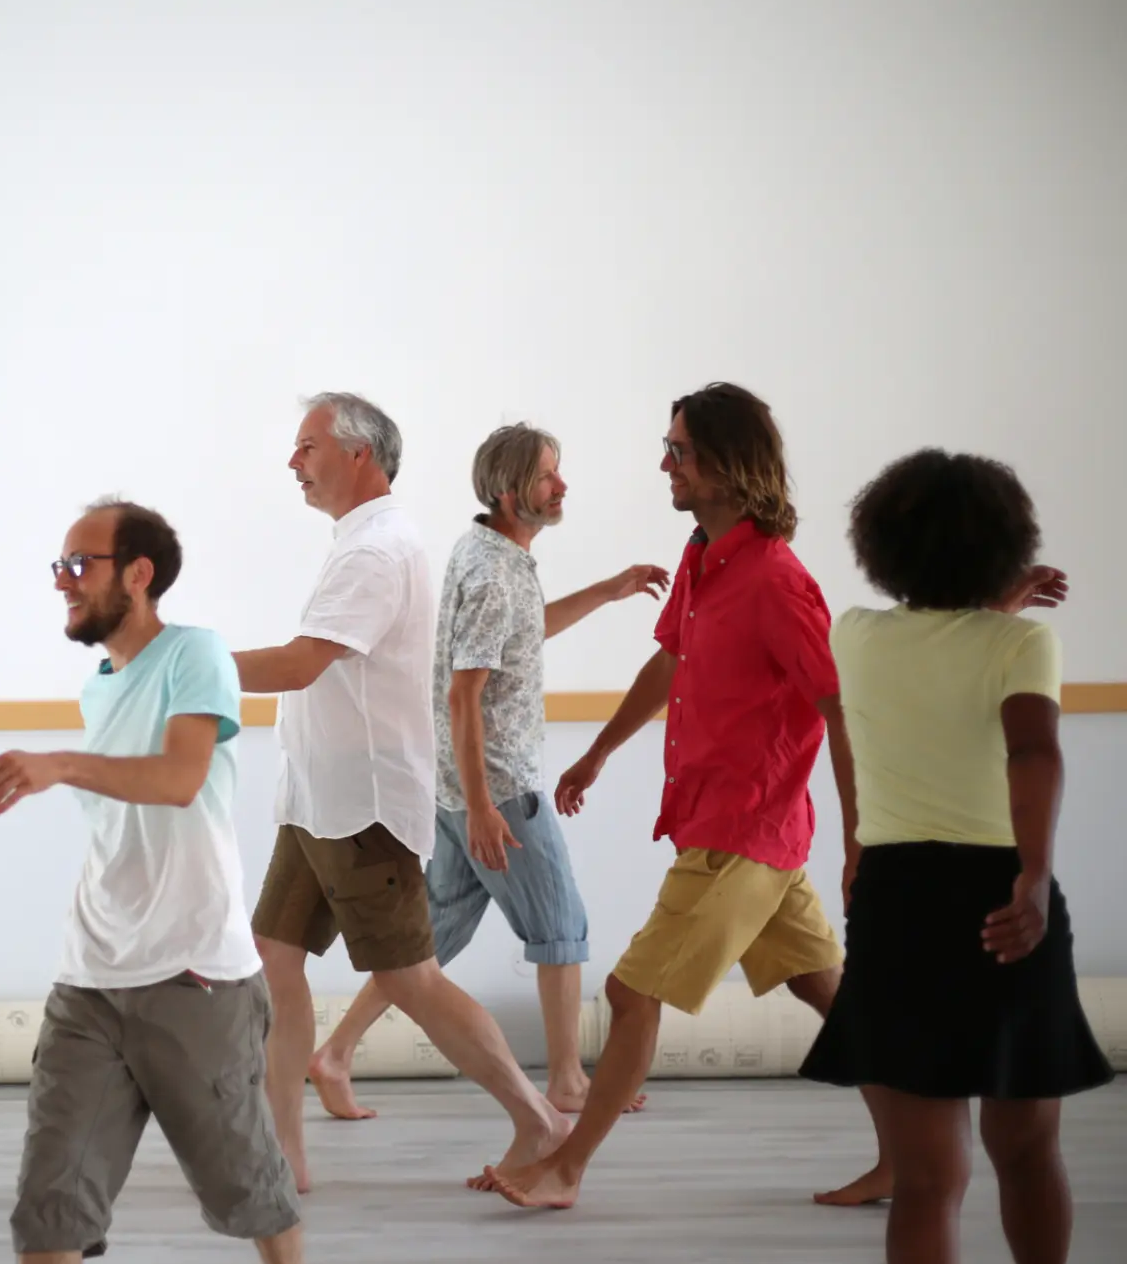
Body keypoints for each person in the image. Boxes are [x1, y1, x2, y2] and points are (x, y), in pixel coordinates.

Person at [491, 381, 883, 1210]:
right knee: (828, 991)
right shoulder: (704, 560)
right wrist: (597, 753)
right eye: (667, 448)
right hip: (740, 830)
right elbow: (669, 663)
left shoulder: (776, 581)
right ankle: (914, 1154)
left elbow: (839, 708)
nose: (665, 463)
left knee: (632, 993)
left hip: (744, 832)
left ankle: (565, 1169)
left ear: (729, 464)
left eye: (680, 450)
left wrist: (858, 843)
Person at [234, 393, 570, 1195]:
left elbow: (302, 663)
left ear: (359, 454)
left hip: (365, 809)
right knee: (274, 962)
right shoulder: (360, 542)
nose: (293, 461)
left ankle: (539, 1120)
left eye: (308, 445)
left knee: (412, 980)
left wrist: (177, 665)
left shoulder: (378, 551)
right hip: (318, 803)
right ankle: (283, 1153)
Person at [798, 450, 1113, 1264]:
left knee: (929, 1180)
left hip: (897, 899)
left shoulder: (854, 635)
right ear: (1006, 545)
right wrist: (1034, 878)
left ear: (881, 547)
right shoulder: (1023, 644)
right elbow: (1033, 750)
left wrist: (993, 605)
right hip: (1002, 894)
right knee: (1029, 1152)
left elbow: (937, 647)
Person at [0, 498, 303, 1264]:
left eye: (78, 564)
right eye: (58, 565)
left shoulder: (197, 654)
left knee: (251, 1193)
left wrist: (59, 764)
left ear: (138, 574)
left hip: (194, 978)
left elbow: (180, 778)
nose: (62, 580)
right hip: (89, 979)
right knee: (50, 1213)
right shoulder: (98, 687)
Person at [306, 423, 667, 1124]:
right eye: (546, 477)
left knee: (432, 937)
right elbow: (462, 693)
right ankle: (567, 1081)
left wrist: (608, 590)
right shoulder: (496, 574)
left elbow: (517, 635)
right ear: (508, 491)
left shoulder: (485, 551)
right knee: (561, 928)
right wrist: (481, 808)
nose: (561, 487)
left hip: (457, 787)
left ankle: (336, 1053)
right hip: (499, 790)